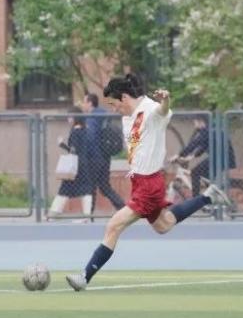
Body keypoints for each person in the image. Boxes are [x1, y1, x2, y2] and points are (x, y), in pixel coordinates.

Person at [65, 74, 231, 291]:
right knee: (164, 224)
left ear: (124, 98)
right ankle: (208, 196)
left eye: (114, 104)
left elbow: (162, 112)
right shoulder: (127, 118)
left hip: (150, 184)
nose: (114, 109)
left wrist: (166, 100)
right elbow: (136, 146)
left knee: (113, 226)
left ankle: (84, 277)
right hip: (140, 182)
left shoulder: (150, 109)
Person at [170, 115, 237, 197]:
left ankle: (196, 200)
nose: (194, 125)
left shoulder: (206, 131)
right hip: (224, 159)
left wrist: (178, 155)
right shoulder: (211, 130)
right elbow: (203, 146)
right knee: (206, 178)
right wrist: (191, 157)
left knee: (195, 172)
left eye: (195, 122)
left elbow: (194, 144)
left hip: (220, 159)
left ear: (200, 122)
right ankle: (211, 196)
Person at [81, 92, 125, 213]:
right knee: (104, 187)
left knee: (90, 186)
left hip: (94, 158)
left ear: (90, 103)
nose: (82, 105)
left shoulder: (92, 118)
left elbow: (90, 138)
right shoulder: (103, 115)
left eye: (84, 102)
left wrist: (86, 154)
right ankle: (123, 208)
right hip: (105, 157)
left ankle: (88, 215)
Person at [48, 106, 93, 220]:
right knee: (86, 190)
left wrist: (62, 144)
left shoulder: (75, 131)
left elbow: (73, 150)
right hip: (84, 163)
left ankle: (53, 214)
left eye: (70, 117)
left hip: (74, 164)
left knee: (64, 189)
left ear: (74, 118)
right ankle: (87, 216)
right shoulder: (85, 130)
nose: (68, 119)